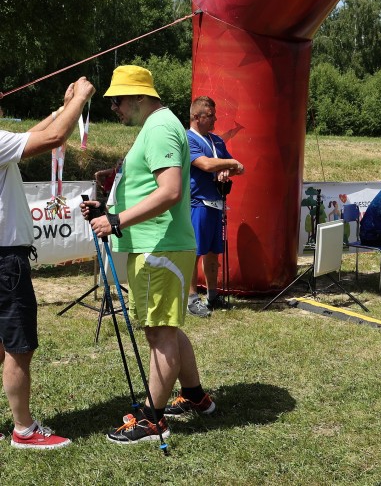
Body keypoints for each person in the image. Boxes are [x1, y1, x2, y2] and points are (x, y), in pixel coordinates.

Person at [81, 65, 215, 443]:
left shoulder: (158, 128)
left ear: (138, 96)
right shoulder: (157, 126)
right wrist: (107, 208)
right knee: (167, 328)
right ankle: (194, 396)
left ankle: (151, 419)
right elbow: (149, 187)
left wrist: (116, 219)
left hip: (161, 246)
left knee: (159, 335)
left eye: (117, 101)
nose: (115, 109)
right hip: (159, 244)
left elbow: (170, 190)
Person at [0, 77, 95, 449]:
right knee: (18, 346)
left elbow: (36, 134)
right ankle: (23, 430)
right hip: (6, 260)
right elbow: (53, 139)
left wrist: (62, 109)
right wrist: (83, 97)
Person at [187, 96, 244, 317]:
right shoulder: (188, 139)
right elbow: (205, 164)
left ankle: (212, 296)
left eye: (214, 115)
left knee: (213, 252)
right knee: (194, 252)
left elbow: (239, 168)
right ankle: (192, 299)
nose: (215, 120)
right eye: (210, 116)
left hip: (216, 203)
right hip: (196, 202)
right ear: (196, 117)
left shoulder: (217, 141)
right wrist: (227, 164)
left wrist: (227, 169)